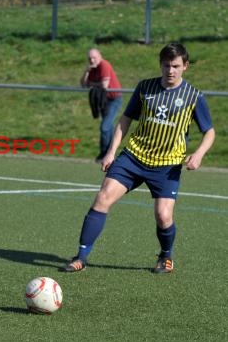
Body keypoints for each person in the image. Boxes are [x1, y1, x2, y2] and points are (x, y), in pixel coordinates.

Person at [62, 43, 215, 274]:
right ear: (160, 65)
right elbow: (125, 120)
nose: (170, 71)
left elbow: (209, 131)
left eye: (176, 66)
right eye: (166, 65)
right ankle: (81, 257)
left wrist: (199, 154)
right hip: (134, 157)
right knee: (103, 198)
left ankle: (166, 257)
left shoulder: (193, 96)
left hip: (167, 164)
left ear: (185, 66)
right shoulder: (146, 87)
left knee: (163, 216)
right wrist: (111, 152)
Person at [81, 48, 123, 162]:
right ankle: (110, 154)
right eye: (89, 58)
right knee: (108, 127)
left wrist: (92, 84)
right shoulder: (92, 69)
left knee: (105, 127)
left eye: (94, 57)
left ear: (100, 56)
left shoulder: (104, 65)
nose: (92, 60)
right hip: (104, 100)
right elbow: (83, 84)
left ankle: (105, 154)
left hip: (114, 99)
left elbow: (104, 85)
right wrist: (87, 71)